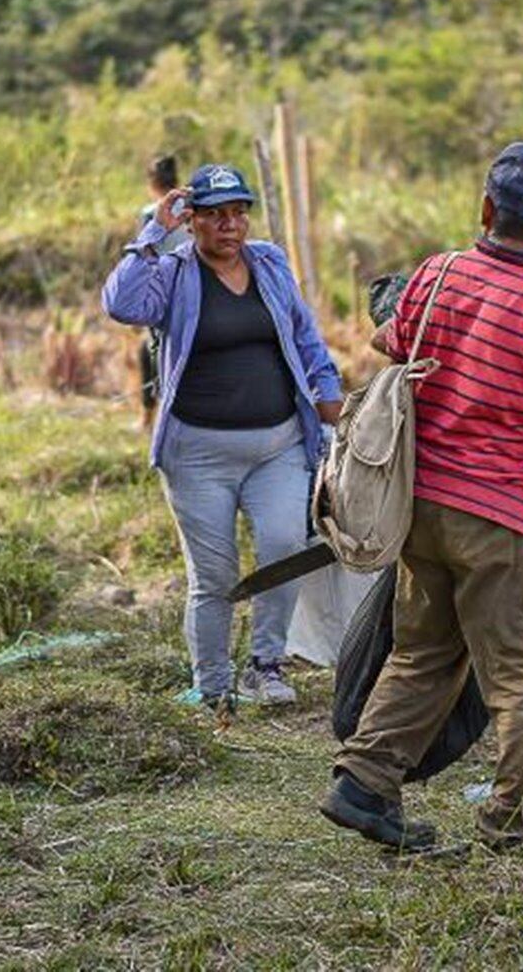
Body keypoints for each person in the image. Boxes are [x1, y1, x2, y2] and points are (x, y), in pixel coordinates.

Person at [323, 142, 523, 851]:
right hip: (500, 517)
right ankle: (518, 828)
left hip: (421, 508)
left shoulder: (437, 275)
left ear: (486, 210)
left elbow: (390, 339)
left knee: (425, 651)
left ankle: (364, 781)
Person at [104, 164, 343, 709]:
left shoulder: (270, 263)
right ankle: (212, 685)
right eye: (214, 215)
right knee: (214, 575)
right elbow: (120, 304)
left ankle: (266, 665)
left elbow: (306, 338)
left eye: (238, 212)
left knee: (285, 546)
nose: (229, 225)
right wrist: (151, 234)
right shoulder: (170, 272)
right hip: (198, 455)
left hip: (278, 445)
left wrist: (330, 401)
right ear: (192, 222)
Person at [135, 154, 187, 431]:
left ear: (151, 183)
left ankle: (150, 416)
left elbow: (144, 257)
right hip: (194, 289)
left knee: (151, 353)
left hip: (163, 293)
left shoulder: (150, 214)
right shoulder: (192, 207)